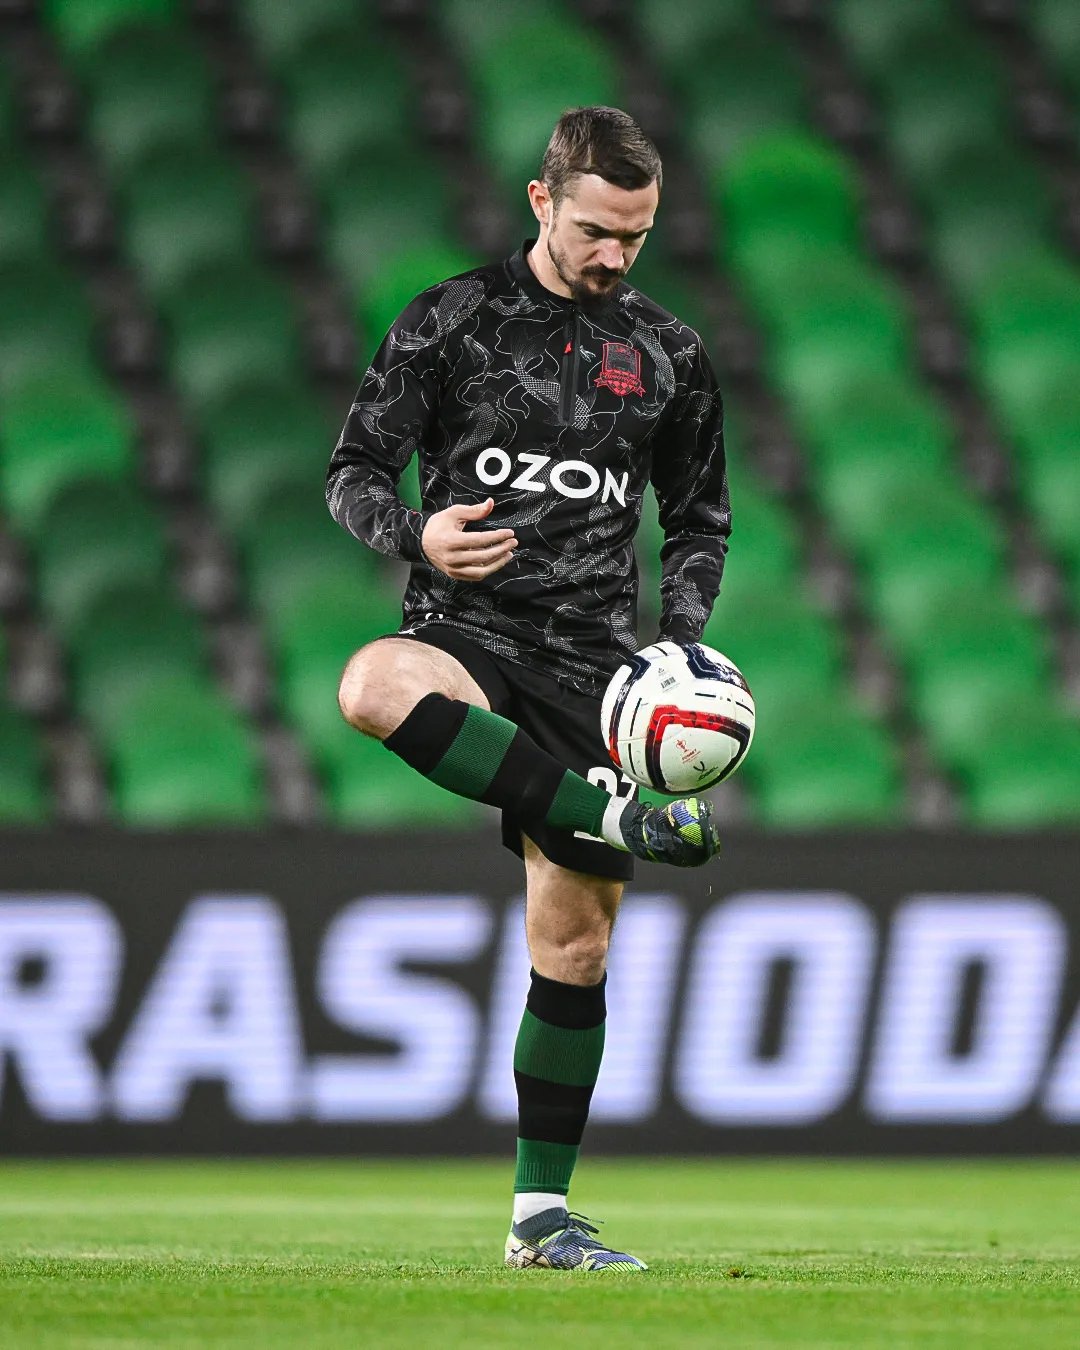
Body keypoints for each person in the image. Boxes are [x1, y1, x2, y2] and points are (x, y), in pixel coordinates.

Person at [327, 106, 730, 1273]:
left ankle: (539, 1220)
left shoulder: (669, 351)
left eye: (636, 235)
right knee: (372, 683)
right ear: (542, 199)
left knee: (575, 950)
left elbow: (699, 521)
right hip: (468, 631)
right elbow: (352, 470)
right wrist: (416, 533)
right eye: (596, 229)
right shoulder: (451, 319)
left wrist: (679, 649)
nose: (614, 254)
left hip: (593, 671)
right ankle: (609, 814)